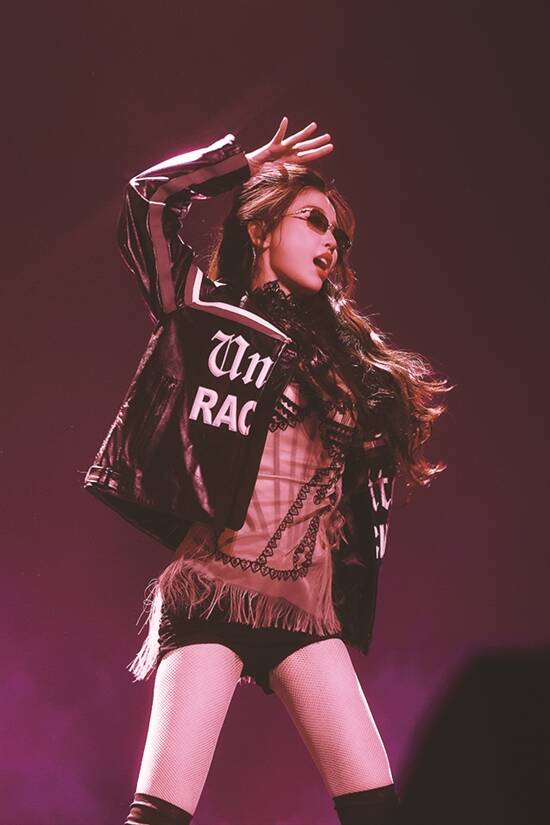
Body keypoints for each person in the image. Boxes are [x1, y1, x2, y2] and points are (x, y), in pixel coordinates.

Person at [83, 117, 448, 825]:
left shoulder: (340, 357)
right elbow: (146, 200)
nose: (330, 241)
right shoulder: (207, 312)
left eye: (337, 234)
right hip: (214, 594)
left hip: (306, 610)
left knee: (379, 814)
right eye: (313, 220)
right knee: (158, 819)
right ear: (260, 230)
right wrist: (242, 165)